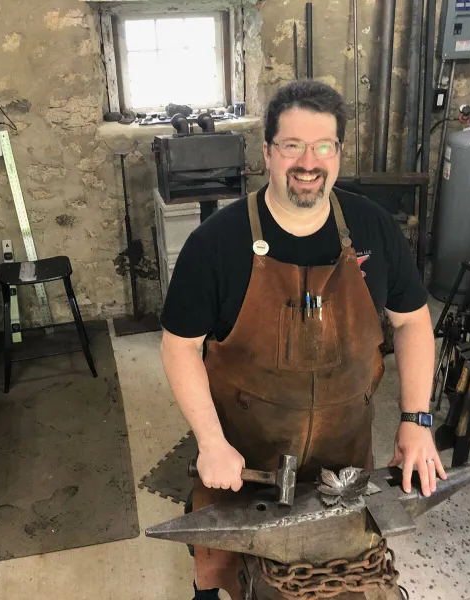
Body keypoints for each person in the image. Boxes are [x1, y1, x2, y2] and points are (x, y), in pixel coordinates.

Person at [159, 80, 446, 600]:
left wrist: (416, 419)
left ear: (338, 152)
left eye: (323, 146)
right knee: (214, 567)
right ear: (267, 152)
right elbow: (179, 346)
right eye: (292, 145)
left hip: (345, 465)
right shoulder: (215, 244)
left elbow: (411, 321)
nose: (308, 161)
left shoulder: (373, 229)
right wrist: (210, 442)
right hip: (243, 463)